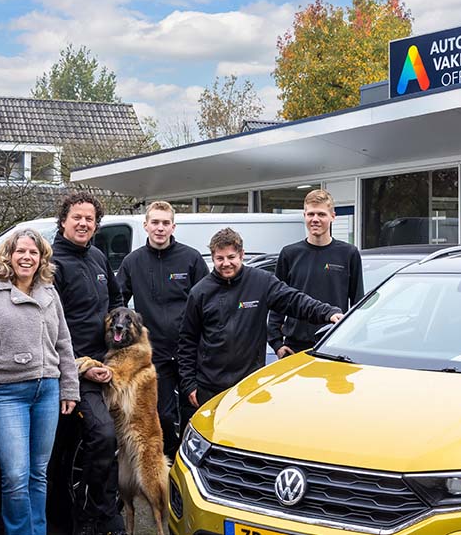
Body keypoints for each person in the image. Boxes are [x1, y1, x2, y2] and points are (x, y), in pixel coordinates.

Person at [0, 228, 79, 535]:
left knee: (39, 473)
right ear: (9, 255)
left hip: (48, 391)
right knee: (16, 475)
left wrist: (69, 386)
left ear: (41, 258)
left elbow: (64, 342)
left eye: (33, 252)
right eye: (21, 252)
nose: (26, 257)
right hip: (6, 394)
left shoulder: (49, 292)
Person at [178, 228, 343, 408]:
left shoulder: (261, 282)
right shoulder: (200, 292)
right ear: (213, 258)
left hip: (248, 385)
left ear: (241, 254)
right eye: (220, 258)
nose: (226, 263)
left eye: (231, 257)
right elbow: (187, 341)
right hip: (210, 386)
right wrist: (189, 384)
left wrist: (327, 313)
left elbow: (294, 300)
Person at [50, 192, 126, 535]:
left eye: (90, 219)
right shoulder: (52, 263)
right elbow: (47, 326)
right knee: (100, 436)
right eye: (77, 217)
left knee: (89, 448)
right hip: (69, 370)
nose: (83, 223)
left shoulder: (97, 256)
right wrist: (80, 365)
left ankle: (92, 514)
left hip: (102, 366)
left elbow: (116, 299)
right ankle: (93, 513)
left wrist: (116, 344)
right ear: (63, 220)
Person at [116, 201, 208, 458]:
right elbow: (118, 303)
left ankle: (190, 463)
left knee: (194, 413)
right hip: (155, 354)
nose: (160, 228)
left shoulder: (191, 258)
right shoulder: (132, 262)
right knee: (164, 417)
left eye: (165, 223)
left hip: (190, 351)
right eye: (155, 222)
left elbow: (208, 301)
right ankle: (169, 462)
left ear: (173, 226)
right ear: (146, 226)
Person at [268, 189, 363, 358]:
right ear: (304, 215)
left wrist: (357, 342)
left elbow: (358, 302)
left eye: (321, 214)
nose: (315, 219)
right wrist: (276, 343)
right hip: (294, 347)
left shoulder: (349, 254)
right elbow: (277, 301)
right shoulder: (289, 254)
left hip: (334, 344)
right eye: (310, 214)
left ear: (333, 216)